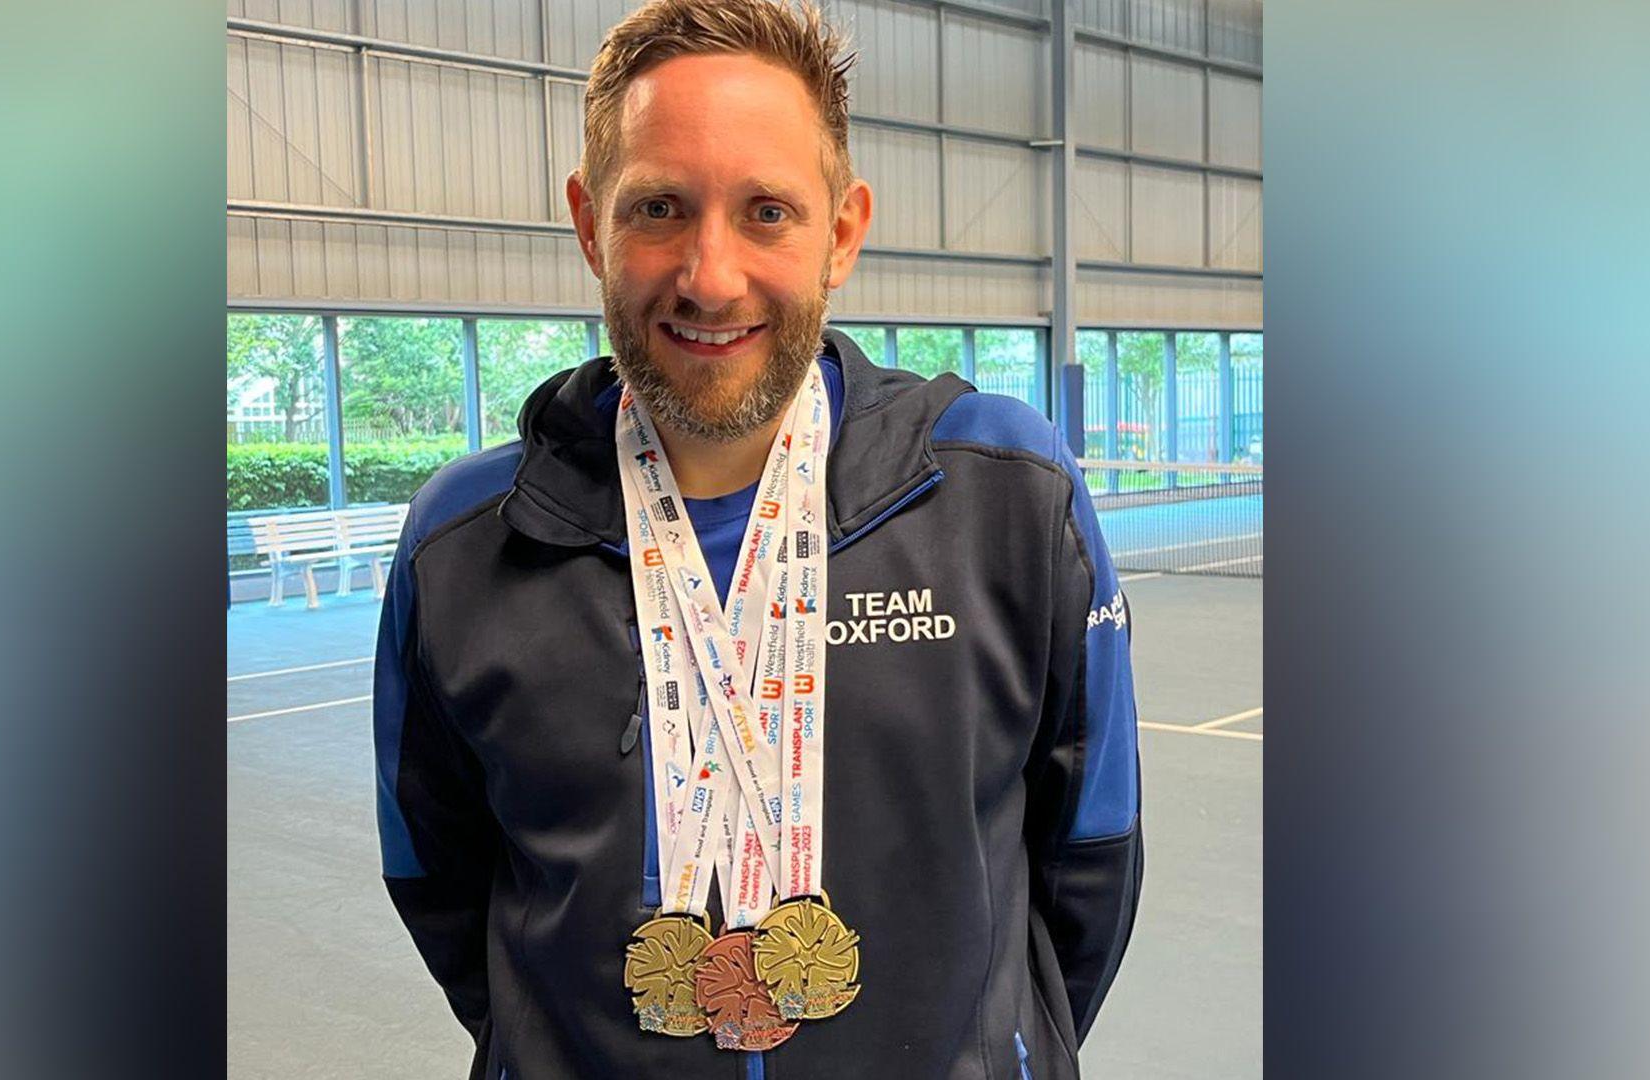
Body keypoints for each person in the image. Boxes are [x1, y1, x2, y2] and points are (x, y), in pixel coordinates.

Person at [372, 2, 1142, 1077]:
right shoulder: (460, 549)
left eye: (767, 211)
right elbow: (440, 883)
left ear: (842, 231)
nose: (711, 276)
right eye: (660, 208)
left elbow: (1088, 861)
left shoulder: (1003, 497)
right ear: (591, 224)